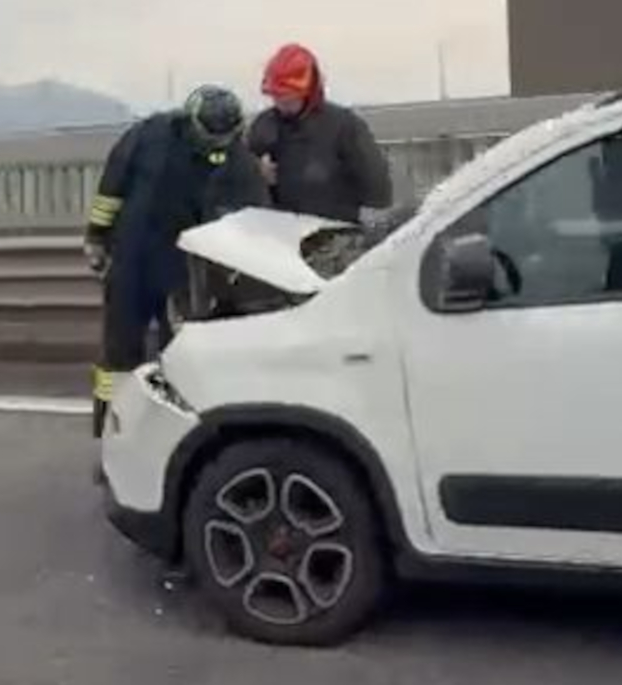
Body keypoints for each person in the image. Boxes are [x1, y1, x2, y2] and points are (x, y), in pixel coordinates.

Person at [85, 85, 269, 436]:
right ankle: (111, 430)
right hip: (132, 259)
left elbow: (253, 217)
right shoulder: (149, 136)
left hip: (186, 272)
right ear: (192, 121)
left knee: (180, 355)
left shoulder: (239, 161)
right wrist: (96, 236)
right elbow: (112, 186)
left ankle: (170, 434)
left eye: (223, 139)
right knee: (119, 354)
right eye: (210, 138)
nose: (216, 146)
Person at [247, 43, 393, 225]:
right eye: (277, 96)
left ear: (308, 92)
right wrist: (255, 171)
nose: (282, 103)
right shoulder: (263, 125)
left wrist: (371, 223)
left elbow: (376, 184)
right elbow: (238, 171)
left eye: (289, 96)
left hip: (334, 230)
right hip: (282, 232)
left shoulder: (344, 127)